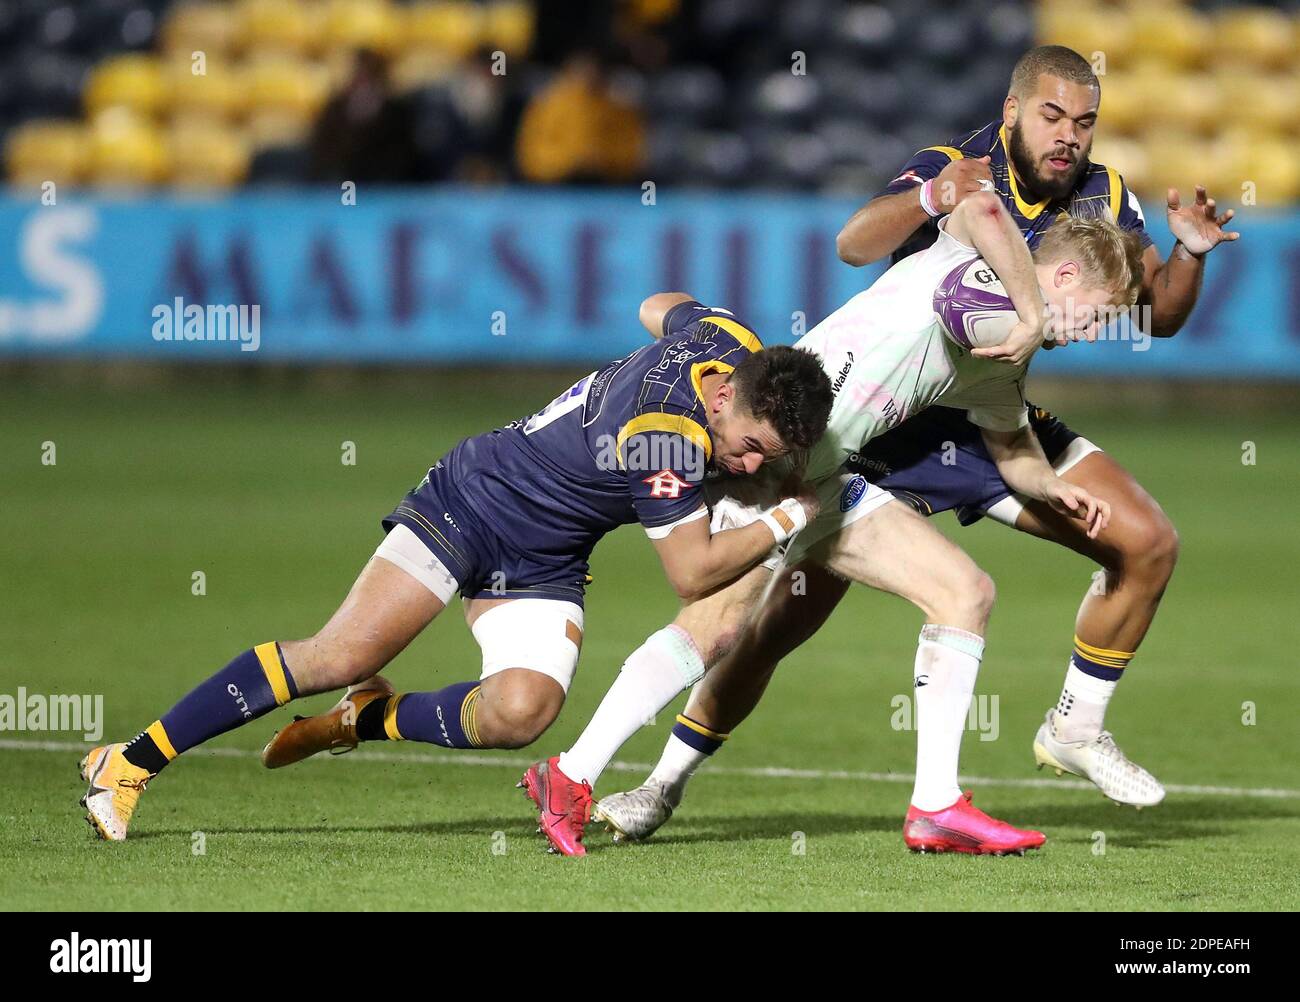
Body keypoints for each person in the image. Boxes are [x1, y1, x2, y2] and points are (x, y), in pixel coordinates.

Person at [595, 45, 1240, 844]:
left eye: (1084, 122)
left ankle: (1075, 729)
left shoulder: (1105, 195)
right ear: (1012, 112)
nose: (1069, 136)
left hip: (991, 411)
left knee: (1145, 542)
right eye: (1051, 116)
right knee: (771, 626)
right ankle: (662, 782)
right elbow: (854, 243)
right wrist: (934, 197)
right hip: (889, 425)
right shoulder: (959, 168)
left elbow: (1159, 314)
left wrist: (1189, 254)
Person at [527, 191, 1142, 857]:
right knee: (716, 626)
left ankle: (936, 806)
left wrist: (1055, 486)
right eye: (1097, 315)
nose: (1090, 334)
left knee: (963, 593)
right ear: (1066, 277)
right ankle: (571, 773)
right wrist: (1028, 312)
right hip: (769, 458)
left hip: (826, 476)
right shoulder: (986, 288)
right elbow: (986, 214)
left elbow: (1013, 450)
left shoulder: (1004, 353)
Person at [78, 318, 832, 842]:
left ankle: (364, 719)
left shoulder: (726, 343)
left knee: (520, 713)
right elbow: (693, 574)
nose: (749, 465)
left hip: (547, 554)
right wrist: (785, 519)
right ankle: (129, 761)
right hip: (472, 502)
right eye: (749, 447)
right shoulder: (663, 438)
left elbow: (660, 308)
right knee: (337, 655)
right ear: (725, 398)